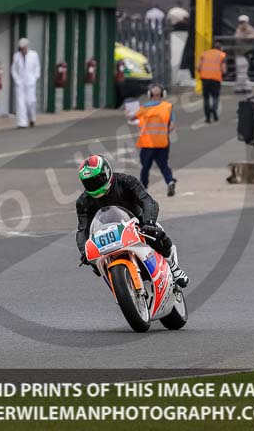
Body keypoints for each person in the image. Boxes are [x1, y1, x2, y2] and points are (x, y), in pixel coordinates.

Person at [75, 155, 188, 289]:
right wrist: (84, 251)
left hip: (137, 224)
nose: (94, 185)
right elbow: (83, 229)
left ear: (106, 172)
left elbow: (148, 201)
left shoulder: (127, 181)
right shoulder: (83, 201)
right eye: (88, 183)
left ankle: (173, 266)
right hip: (108, 234)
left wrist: (149, 222)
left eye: (96, 180)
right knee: (94, 262)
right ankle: (120, 288)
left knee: (155, 233)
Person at [127, 84, 177, 196]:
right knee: (163, 165)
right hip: (162, 142)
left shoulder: (144, 108)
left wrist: (127, 113)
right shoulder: (168, 107)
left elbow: (132, 118)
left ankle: (143, 188)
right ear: (163, 94)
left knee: (145, 167)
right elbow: (172, 126)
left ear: (150, 94)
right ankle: (170, 181)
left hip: (147, 143)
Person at [11, 37, 41, 128]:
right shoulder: (16, 56)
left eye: (24, 48)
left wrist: (35, 77)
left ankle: (32, 118)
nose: (23, 50)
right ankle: (22, 123)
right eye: (21, 48)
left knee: (30, 102)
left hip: (30, 82)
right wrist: (16, 80)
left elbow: (37, 67)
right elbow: (13, 69)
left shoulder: (34, 55)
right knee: (20, 103)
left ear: (27, 46)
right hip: (20, 83)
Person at [197, 41, 227, 123]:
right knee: (215, 97)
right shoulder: (222, 55)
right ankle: (214, 109)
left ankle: (207, 118)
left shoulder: (204, 54)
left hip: (205, 79)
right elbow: (224, 70)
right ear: (220, 48)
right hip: (216, 80)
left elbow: (198, 67)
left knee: (206, 99)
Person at [234, 15, 254, 93]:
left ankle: (242, 87)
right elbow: (237, 37)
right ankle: (244, 87)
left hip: (247, 53)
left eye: (243, 22)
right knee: (240, 71)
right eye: (241, 22)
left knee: (243, 71)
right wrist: (244, 36)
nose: (242, 24)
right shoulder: (238, 29)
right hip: (239, 53)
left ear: (247, 22)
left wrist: (248, 37)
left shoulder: (250, 29)